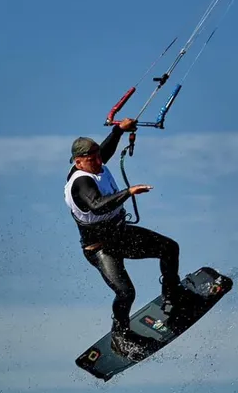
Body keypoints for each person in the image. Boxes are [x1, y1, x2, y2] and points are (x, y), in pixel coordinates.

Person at [63, 119, 206, 359]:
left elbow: (105, 150)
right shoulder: (81, 182)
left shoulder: (95, 164)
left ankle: (172, 300)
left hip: (121, 236)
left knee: (169, 248)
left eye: (99, 156)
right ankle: (120, 337)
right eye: (92, 159)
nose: (99, 162)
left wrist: (119, 130)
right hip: (101, 249)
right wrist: (128, 192)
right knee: (126, 293)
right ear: (78, 162)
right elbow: (97, 206)